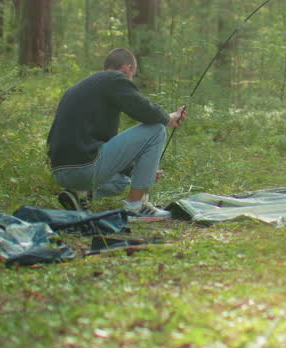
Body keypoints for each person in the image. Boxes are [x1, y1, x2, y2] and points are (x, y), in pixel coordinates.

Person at [47, 48, 187, 219]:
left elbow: (105, 147)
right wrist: (168, 117)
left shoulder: (80, 88)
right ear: (128, 68)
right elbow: (142, 109)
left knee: (122, 181)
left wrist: (141, 169)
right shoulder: (113, 78)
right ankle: (136, 207)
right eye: (132, 74)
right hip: (85, 167)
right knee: (157, 129)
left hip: (61, 172)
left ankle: (80, 196)